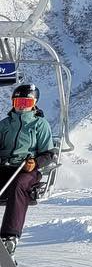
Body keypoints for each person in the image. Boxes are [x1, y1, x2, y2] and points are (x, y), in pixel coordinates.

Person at [0, 84, 57, 256]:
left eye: (26, 102)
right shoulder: (4, 125)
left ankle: (9, 237)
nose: (22, 105)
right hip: (4, 167)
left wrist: (36, 162)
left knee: (19, 186)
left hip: (26, 170)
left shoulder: (39, 124)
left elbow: (48, 153)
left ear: (34, 103)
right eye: (18, 101)